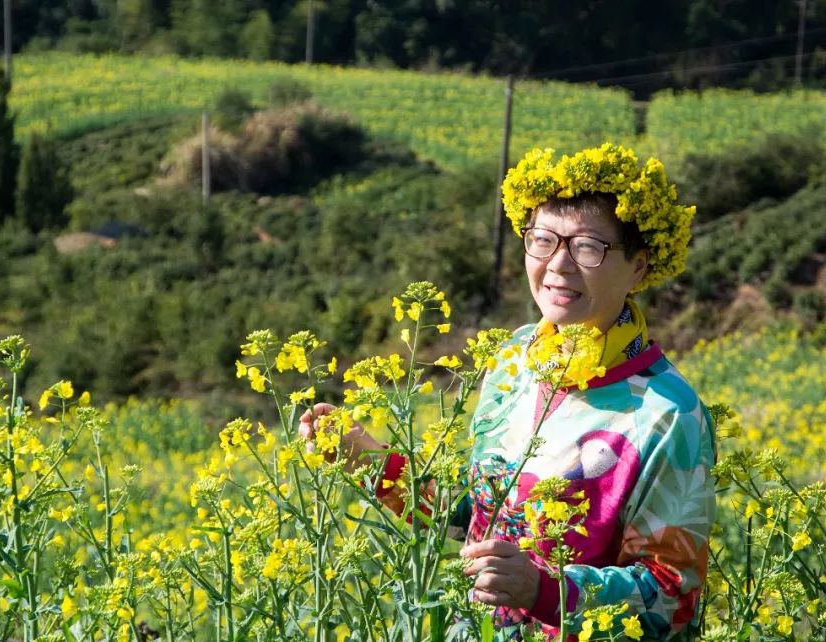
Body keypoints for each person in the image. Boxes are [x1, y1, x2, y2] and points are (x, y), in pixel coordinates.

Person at [300, 144, 716, 641]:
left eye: (587, 246)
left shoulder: (666, 413)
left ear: (639, 267)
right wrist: (372, 464)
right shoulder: (515, 359)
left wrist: (544, 589)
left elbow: (674, 596)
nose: (558, 265)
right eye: (542, 239)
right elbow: (478, 519)